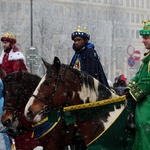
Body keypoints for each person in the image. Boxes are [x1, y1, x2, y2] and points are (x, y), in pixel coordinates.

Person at [125, 20, 150, 150]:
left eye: (146, 38)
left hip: (148, 103)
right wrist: (128, 88)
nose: (143, 41)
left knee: (144, 124)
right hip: (144, 102)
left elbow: (147, 81)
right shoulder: (147, 59)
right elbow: (138, 77)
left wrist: (133, 93)